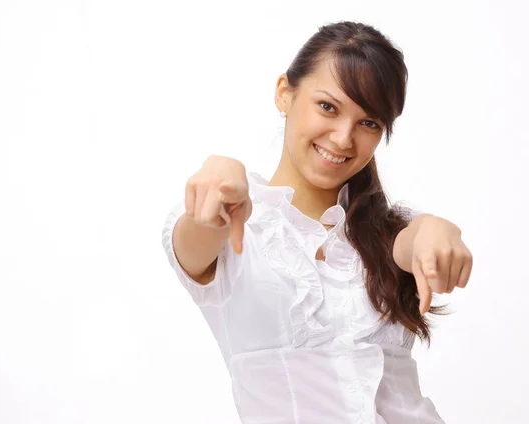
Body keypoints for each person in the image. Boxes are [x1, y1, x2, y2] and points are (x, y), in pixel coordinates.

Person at [161, 21, 473, 424]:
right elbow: (198, 235)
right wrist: (217, 185)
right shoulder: (238, 229)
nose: (344, 138)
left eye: (369, 123)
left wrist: (435, 226)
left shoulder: (386, 233)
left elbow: (412, 242)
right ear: (284, 93)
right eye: (328, 106)